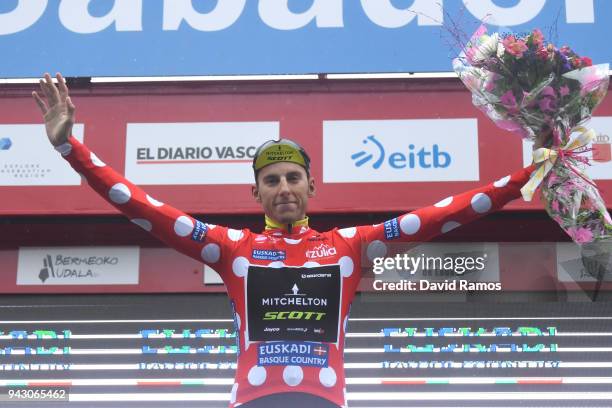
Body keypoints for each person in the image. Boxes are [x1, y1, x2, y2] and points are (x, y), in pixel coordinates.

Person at [33, 72, 535, 408]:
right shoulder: (233, 248)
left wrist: (528, 176)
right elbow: (140, 206)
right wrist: (68, 147)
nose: (284, 188)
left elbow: (443, 215)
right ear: (256, 193)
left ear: (311, 187)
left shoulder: (348, 246)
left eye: (293, 178)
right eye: (271, 181)